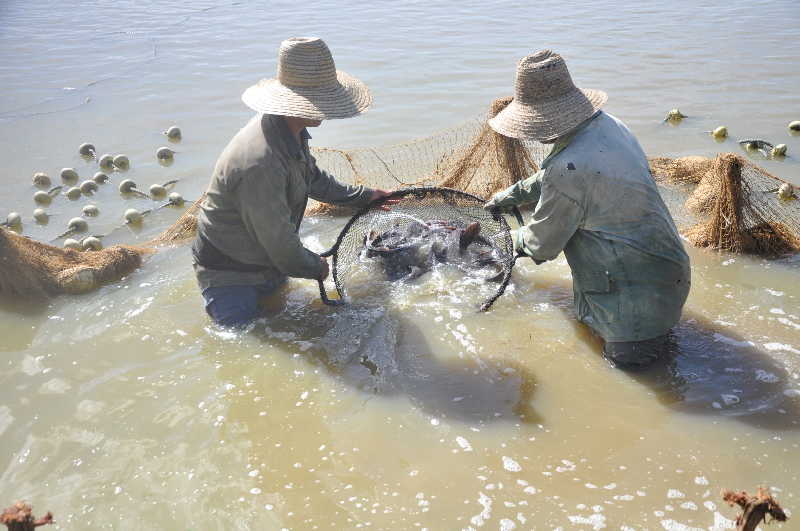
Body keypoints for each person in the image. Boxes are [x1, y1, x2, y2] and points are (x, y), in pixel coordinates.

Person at [484, 50, 691, 368]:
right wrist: (509, 196)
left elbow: (541, 244)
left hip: (633, 300)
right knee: (661, 351)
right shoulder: (608, 125)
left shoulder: (570, 168)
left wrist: (496, 240)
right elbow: (552, 177)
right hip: (665, 269)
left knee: (638, 378)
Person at [193, 37, 393, 327]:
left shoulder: (289, 129)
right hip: (229, 276)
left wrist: (365, 196)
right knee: (244, 344)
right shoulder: (261, 162)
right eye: (322, 99)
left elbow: (312, 178)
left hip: (265, 262)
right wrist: (315, 267)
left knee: (282, 325)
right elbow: (281, 245)